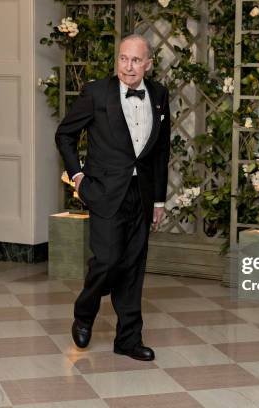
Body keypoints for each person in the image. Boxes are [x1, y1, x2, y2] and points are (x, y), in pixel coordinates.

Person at [55, 34, 170, 361]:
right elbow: (65, 134)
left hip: (142, 195)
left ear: (148, 64)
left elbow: (161, 151)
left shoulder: (160, 95)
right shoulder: (96, 92)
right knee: (106, 261)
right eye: (123, 58)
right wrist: (77, 176)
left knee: (133, 266)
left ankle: (129, 339)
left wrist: (159, 201)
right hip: (104, 192)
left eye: (136, 60)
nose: (128, 66)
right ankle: (85, 311)